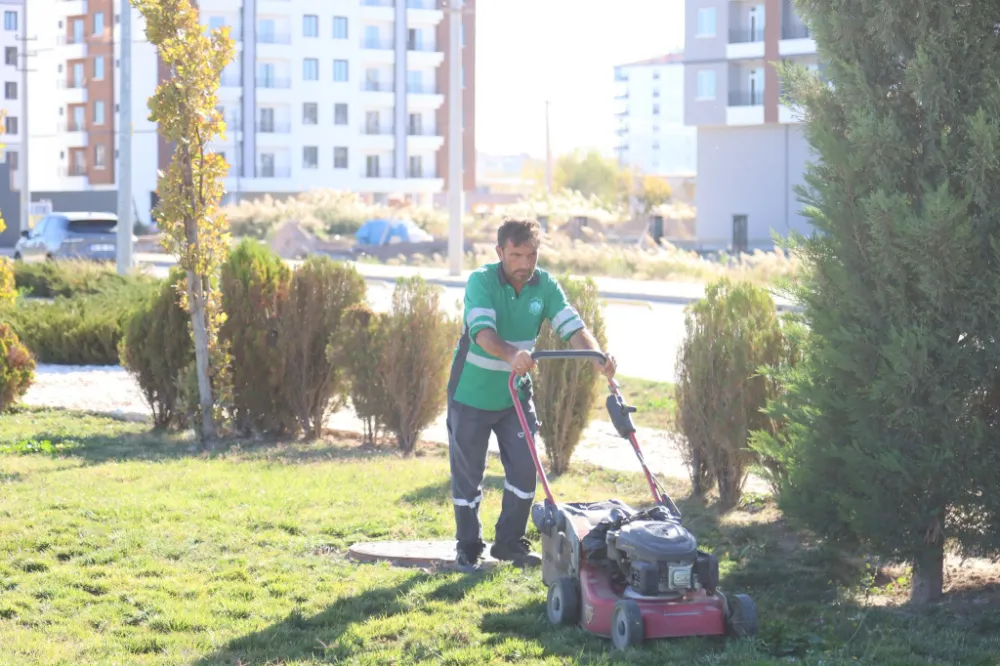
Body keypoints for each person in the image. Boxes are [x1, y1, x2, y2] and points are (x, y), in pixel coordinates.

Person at [446, 217, 617, 571]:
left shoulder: (545, 285)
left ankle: (509, 543)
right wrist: (512, 355)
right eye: (516, 255)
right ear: (500, 252)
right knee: (468, 475)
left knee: (526, 469)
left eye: (532, 255)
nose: (525, 264)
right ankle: (469, 546)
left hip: (514, 397)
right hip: (470, 395)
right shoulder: (481, 281)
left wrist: (596, 356)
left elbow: (573, 326)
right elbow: (482, 333)